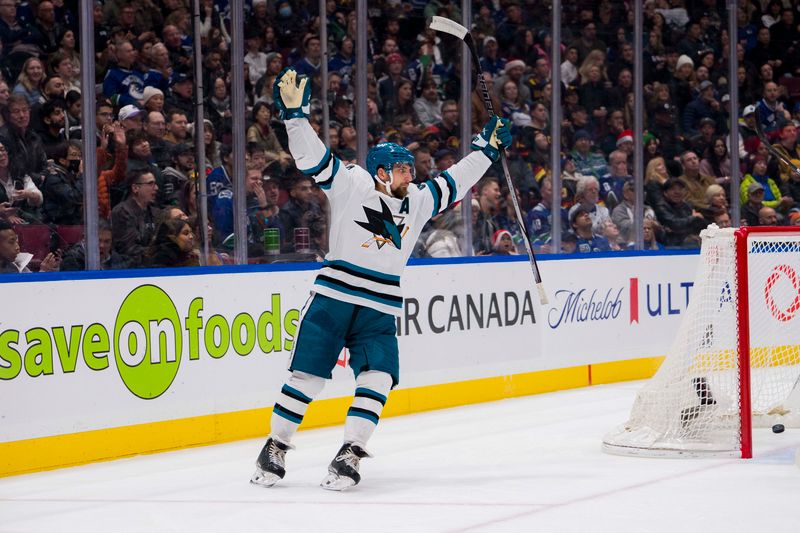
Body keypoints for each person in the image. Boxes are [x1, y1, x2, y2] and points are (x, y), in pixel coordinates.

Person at [251, 67, 511, 491]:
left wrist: (486, 148)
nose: (410, 173)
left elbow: (457, 179)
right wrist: (296, 117)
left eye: (410, 167)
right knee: (308, 378)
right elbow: (313, 159)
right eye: (401, 168)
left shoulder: (422, 201)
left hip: (379, 308)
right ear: (381, 172)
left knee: (379, 378)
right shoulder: (353, 184)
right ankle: (275, 446)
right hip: (333, 298)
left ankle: (350, 453)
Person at [111, 169, 161, 267]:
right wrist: (158, 252)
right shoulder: (122, 212)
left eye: (155, 184)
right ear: (135, 188)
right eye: (151, 184)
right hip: (130, 269)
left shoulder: (155, 212)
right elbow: (128, 249)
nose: (156, 188)